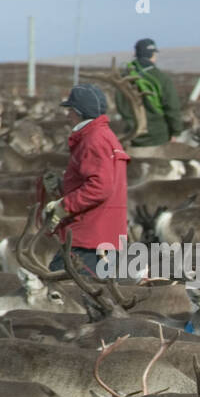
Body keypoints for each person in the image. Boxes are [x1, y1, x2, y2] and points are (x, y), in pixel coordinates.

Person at [40, 84, 132, 279]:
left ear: (79, 112)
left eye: (70, 110)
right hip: (101, 237)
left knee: (60, 295)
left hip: (88, 240)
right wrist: (62, 186)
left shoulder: (93, 140)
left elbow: (100, 187)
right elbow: (99, 181)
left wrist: (63, 206)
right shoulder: (103, 136)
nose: (67, 116)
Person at [114, 38, 183, 147]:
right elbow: (172, 108)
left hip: (132, 136)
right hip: (158, 137)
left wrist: (131, 124)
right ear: (152, 55)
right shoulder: (161, 78)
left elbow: (121, 106)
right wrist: (176, 132)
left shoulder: (124, 78)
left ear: (136, 54)